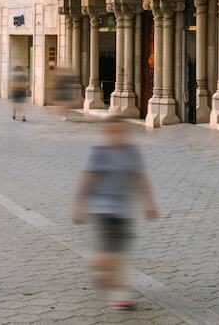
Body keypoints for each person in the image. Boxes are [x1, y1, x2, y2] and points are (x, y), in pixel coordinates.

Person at [72, 116, 157, 310]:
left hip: (124, 210)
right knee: (112, 253)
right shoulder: (99, 152)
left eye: (121, 131)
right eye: (113, 131)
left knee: (119, 254)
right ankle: (109, 282)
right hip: (103, 210)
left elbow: (139, 178)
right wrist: (79, 205)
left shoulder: (131, 152)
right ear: (106, 133)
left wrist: (148, 203)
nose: (117, 135)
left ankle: (118, 293)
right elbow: (87, 180)